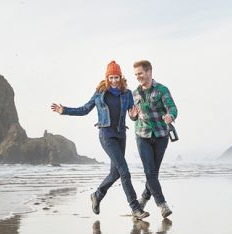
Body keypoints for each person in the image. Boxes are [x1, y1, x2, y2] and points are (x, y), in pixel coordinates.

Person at [51, 60, 149, 219]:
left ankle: (97, 195)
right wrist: (64, 111)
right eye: (111, 78)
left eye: (116, 77)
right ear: (107, 78)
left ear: (120, 77)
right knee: (124, 171)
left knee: (115, 173)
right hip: (106, 135)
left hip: (120, 135)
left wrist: (134, 116)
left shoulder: (127, 94)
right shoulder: (100, 94)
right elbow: (84, 109)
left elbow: (133, 115)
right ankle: (136, 208)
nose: (114, 81)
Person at [129, 60, 177, 218]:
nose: (138, 77)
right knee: (149, 170)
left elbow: (172, 107)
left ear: (149, 72)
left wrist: (171, 115)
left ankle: (143, 199)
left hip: (161, 135)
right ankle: (162, 204)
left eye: (140, 73)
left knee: (153, 173)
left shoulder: (162, 90)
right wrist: (132, 116)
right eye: (136, 74)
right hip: (142, 136)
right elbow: (132, 115)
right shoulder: (134, 93)